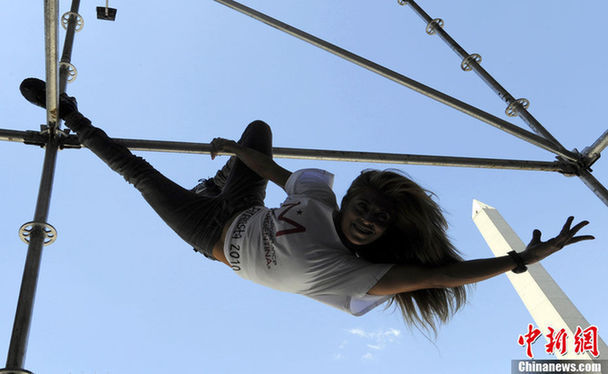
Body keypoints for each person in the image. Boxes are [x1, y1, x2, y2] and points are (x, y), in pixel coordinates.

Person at [19, 78, 594, 333]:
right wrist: (238, 154)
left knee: (139, 175)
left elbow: (442, 272)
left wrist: (520, 260)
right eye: (365, 206)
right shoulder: (318, 194)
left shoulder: (356, 276)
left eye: (379, 219)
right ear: (346, 201)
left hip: (211, 236)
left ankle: (70, 115)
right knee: (259, 131)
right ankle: (215, 178)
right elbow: (270, 168)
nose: (370, 220)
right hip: (243, 204)